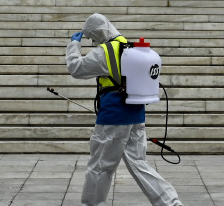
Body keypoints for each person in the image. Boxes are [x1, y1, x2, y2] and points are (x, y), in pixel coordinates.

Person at [66, 13, 182, 206]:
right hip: (136, 115)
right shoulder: (130, 47)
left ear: (98, 32)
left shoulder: (105, 51)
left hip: (113, 116)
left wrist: (74, 45)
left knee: (100, 166)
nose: (94, 42)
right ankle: (171, 203)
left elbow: (76, 68)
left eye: (93, 37)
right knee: (140, 164)